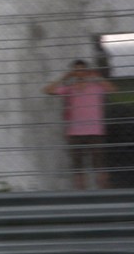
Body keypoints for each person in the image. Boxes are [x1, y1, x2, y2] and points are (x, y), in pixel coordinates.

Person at [44, 61, 115, 190]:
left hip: (95, 131)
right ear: (73, 73)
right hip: (75, 133)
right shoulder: (69, 88)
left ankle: (104, 190)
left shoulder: (96, 87)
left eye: (82, 70)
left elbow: (112, 89)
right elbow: (48, 90)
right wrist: (65, 77)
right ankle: (81, 192)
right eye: (76, 70)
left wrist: (97, 76)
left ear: (87, 71)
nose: (80, 73)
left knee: (99, 164)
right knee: (78, 166)